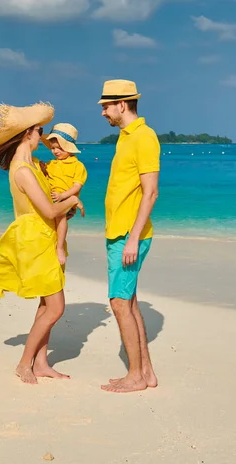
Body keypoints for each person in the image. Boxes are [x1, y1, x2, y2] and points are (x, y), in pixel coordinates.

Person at [0, 102, 85, 384]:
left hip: (45, 237)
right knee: (57, 308)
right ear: (27, 134)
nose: (42, 137)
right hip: (36, 240)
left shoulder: (33, 164)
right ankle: (25, 363)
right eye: (39, 131)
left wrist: (66, 200)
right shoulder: (23, 169)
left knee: (46, 305)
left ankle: (41, 363)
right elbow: (48, 211)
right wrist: (73, 200)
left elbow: (51, 202)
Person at [98, 79, 160, 393]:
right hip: (119, 232)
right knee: (130, 302)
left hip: (128, 235)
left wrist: (133, 237)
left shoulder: (144, 137)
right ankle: (145, 372)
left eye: (106, 106)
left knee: (119, 302)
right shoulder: (125, 137)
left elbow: (150, 193)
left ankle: (134, 376)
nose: (103, 112)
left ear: (122, 104)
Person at [40, 123, 88, 268]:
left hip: (65, 198)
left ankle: (60, 247)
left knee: (60, 217)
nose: (55, 151)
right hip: (53, 198)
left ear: (68, 148)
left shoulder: (77, 166)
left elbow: (77, 186)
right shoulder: (51, 164)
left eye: (59, 148)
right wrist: (42, 169)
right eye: (53, 148)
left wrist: (63, 196)